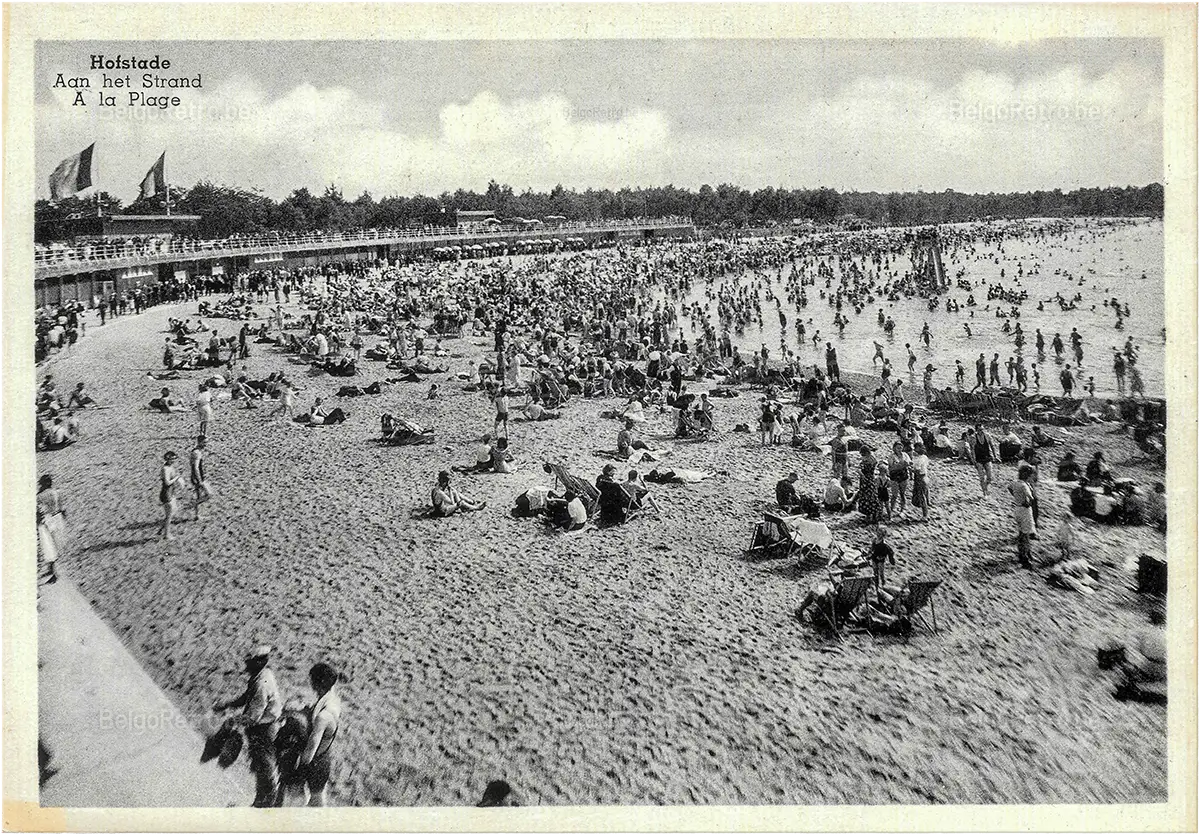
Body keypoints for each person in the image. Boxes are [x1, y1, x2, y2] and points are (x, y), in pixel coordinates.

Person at [213, 645, 283, 807]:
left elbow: (252, 717)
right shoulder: (263, 674)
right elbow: (247, 697)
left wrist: (233, 721)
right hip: (262, 724)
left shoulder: (262, 684)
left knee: (264, 764)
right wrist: (228, 704)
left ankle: (268, 801)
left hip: (265, 728)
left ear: (259, 662)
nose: (246, 665)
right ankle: (260, 801)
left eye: (249, 662)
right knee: (259, 764)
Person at [294, 662, 344, 807]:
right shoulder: (332, 698)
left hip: (316, 762)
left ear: (318, 683)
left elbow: (310, 750)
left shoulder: (323, 716)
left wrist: (298, 768)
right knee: (318, 799)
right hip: (324, 756)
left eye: (312, 679)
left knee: (314, 802)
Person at [37, 474, 65, 584]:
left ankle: (54, 574)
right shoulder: (57, 492)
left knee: (49, 546)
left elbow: (39, 511)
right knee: (56, 545)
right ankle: (51, 570)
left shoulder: (40, 496)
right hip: (58, 519)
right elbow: (62, 509)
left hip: (47, 520)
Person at [1010, 463, 1038, 568]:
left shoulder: (1015, 482)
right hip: (1025, 510)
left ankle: (1026, 553)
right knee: (1026, 535)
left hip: (1017, 508)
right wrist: (1027, 502)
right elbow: (1031, 497)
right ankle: (1024, 557)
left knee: (1021, 533)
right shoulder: (1024, 485)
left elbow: (1009, 488)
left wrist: (1017, 497)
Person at [967, 421, 998, 497]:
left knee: (990, 477)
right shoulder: (973, 438)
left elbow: (992, 446)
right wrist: (973, 460)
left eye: (982, 429)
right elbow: (972, 450)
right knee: (982, 477)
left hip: (987, 457)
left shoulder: (987, 436)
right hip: (978, 459)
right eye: (980, 430)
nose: (981, 431)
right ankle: (984, 492)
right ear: (976, 430)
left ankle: (985, 487)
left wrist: (995, 455)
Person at [158, 452, 184, 540]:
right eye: (172, 459)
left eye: (174, 459)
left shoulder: (171, 467)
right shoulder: (165, 469)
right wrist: (176, 478)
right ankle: (167, 535)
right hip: (166, 493)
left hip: (171, 492)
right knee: (169, 516)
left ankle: (162, 529)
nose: (173, 460)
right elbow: (167, 482)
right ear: (167, 459)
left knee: (174, 510)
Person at [886, 442, 911, 517]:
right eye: (898, 448)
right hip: (894, 476)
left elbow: (909, 463)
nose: (899, 450)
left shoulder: (905, 455)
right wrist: (900, 465)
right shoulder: (891, 456)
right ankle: (892, 508)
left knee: (903, 493)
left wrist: (906, 465)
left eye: (901, 448)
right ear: (894, 448)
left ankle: (902, 509)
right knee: (894, 494)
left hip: (903, 475)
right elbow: (891, 467)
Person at [189, 436, 212, 518]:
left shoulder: (195, 451)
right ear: (199, 442)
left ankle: (197, 515)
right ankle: (193, 503)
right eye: (204, 442)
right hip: (198, 477)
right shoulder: (197, 453)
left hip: (194, 476)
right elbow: (196, 467)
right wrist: (199, 480)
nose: (206, 444)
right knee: (209, 494)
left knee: (198, 495)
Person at [869, 524, 896, 589]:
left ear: (883, 535)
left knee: (881, 572)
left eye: (880, 534)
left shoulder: (884, 544)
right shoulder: (874, 540)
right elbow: (872, 548)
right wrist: (870, 553)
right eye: (878, 533)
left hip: (880, 559)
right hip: (874, 557)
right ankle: (877, 583)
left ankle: (883, 582)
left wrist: (884, 557)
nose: (878, 535)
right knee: (875, 571)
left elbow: (889, 552)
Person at [910, 442, 931, 521]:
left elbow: (917, 470)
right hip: (925, 476)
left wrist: (911, 469)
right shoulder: (924, 457)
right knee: (925, 493)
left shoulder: (918, 459)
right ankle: (927, 508)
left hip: (919, 477)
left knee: (921, 496)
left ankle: (925, 515)